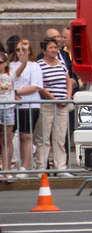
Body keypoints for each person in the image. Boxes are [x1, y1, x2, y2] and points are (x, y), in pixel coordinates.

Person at [9, 38, 52, 170]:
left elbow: (35, 86)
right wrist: (11, 94)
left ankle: (24, 167)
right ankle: (10, 165)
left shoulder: (34, 65)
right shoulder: (10, 65)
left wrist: (15, 92)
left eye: (23, 49)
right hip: (11, 105)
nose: (20, 52)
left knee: (26, 136)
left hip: (29, 105)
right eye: (18, 49)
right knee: (8, 137)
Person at [34, 36, 71, 171]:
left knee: (60, 138)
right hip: (47, 105)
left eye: (55, 47)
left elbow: (68, 81)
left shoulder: (61, 63)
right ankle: (41, 168)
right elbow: (40, 86)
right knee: (43, 138)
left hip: (63, 105)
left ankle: (60, 168)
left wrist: (67, 97)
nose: (54, 50)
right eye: (50, 48)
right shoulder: (39, 65)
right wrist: (53, 99)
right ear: (44, 50)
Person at [0, 45, 15, 180]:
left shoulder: (10, 74)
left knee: (7, 140)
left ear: (5, 63)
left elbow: (21, 69)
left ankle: (7, 169)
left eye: (0, 62)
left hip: (8, 107)